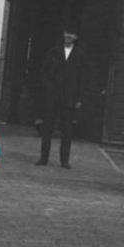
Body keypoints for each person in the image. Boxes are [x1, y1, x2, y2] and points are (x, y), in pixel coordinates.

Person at [36, 29, 84, 168]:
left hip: (69, 98)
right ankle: (43, 158)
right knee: (47, 128)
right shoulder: (53, 52)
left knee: (67, 130)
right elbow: (43, 72)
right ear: (63, 35)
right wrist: (49, 87)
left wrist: (79, 98)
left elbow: (82, 78)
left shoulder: (80, 55)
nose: (69, 36)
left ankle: (64, 161)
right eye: (67, 33)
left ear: (76, 37)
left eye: (72, 34)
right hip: (52, 96)